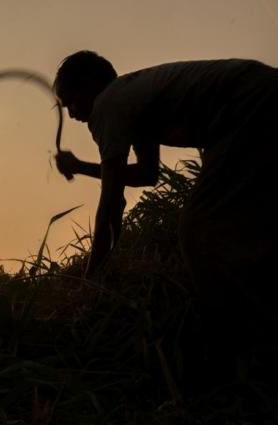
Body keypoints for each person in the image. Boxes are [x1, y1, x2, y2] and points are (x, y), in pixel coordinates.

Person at [52, 50, 278, 381]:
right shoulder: (135, 95)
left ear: (89, 85)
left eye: (69, 101)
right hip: (262, 96)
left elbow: (112, 203)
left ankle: (252, 349)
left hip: (248, 108)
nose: (71, 114)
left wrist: (89, 277)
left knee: (200, 231)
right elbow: (147, 174)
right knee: (252, 224)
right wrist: (81, 167)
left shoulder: (108, 104)